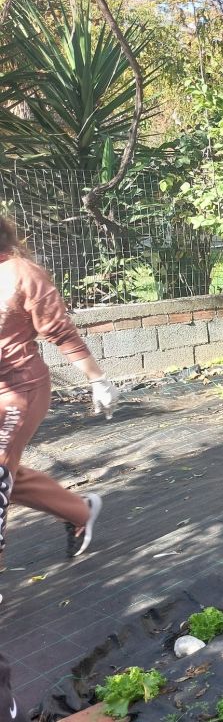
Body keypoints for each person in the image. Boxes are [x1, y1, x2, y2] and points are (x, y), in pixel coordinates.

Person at [0, 215, 116, 574]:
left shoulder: (22, 274)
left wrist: (97, 379)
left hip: (19, 389)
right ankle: (79, 511)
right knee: (7, 472)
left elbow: (60, 332)